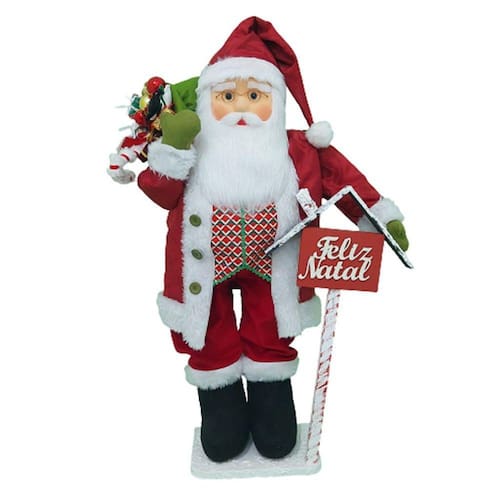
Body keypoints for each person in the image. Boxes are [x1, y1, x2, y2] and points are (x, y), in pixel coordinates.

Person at [137, 16, 409, 463]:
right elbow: (160, 194)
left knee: (271, 327)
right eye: (227, 96)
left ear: (276, 103)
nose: (241, 107)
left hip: (276, 262)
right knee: (208, 332)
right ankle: (221, 408)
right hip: (203, 266)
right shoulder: (192, 146)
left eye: (256, 96)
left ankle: (271, 402)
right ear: (207, 101)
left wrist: (379, 216)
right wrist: (174, 150)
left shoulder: (299, 147)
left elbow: (346, 180)